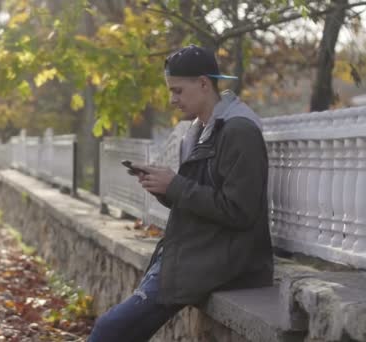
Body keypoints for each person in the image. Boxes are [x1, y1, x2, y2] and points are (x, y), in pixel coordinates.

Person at [88, 44, 274, 341]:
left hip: (223, 260)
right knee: (119, 331)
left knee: (109, 330)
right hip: (191, 253)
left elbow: (240, 211)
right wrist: (163, 188)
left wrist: (174, 185)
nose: (172, 99)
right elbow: (199, 196)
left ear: (203, 83)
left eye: (177, 91)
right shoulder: (198, 130)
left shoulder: (239, 131)